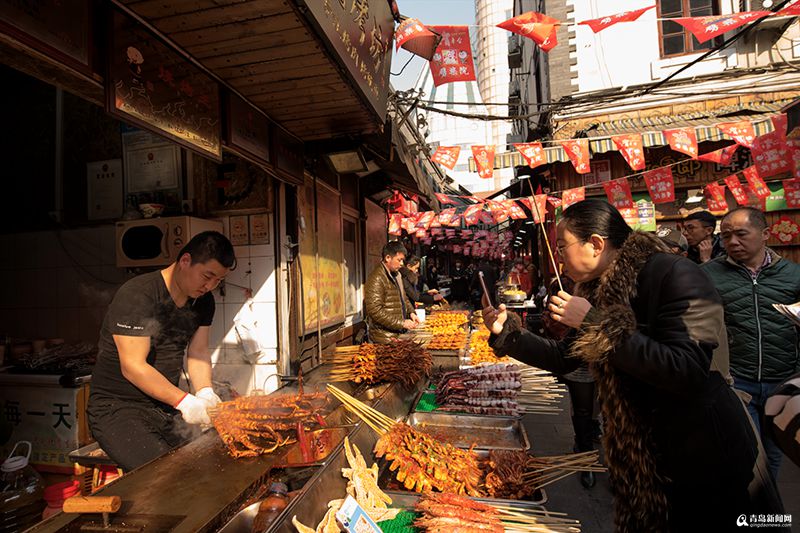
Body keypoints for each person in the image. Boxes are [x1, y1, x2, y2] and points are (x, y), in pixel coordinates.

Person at [483, 199, 784, 532]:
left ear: (596, 244)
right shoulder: (599, 289)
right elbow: (564, 357)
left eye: (562, 246)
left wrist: (594, 322)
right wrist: (510, 334)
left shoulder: (674, 273)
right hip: (642, 456)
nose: (558, 258)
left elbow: (687, 369)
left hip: (701, 451)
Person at [88, 231, 235, 471]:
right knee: (165, 476)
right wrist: (185, 401)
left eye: (218, 281)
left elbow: (197, 353)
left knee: (207, 465)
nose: (209, 286)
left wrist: (206, 392)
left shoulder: (203, 301)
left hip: (163, 406)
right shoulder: (139, 294)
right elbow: (133, 367)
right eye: (207, 276)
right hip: (117, 408)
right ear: (185, 261)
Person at [701, 206, 800, 481]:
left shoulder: (793, 275)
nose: (732, 242)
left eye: (741, 234)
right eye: (727, 236)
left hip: (783, 381)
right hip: (737, 380)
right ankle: (753, 513)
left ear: (765, 234)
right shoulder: (708, 274)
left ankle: (764, 515)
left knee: (775, 453)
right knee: (748, 455)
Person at [540, 275, 599, 489]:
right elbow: (550, 316)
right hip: (578, 357)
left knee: (603, 410)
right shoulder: (560, 283)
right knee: (582, 409)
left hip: (610, 358)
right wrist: (569, 331)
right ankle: (586, 460)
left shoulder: (612, 279)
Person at [364, 241, 418, 343]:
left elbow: (403, 297)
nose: (402, 264)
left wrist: (411, 313)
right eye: (399, 260)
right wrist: (401, 323)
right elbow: (375, 311)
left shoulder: (396, 275)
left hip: (396, 334)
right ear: (388, 258)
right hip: (384, 337)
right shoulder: (377, 278)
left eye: (403, 260)